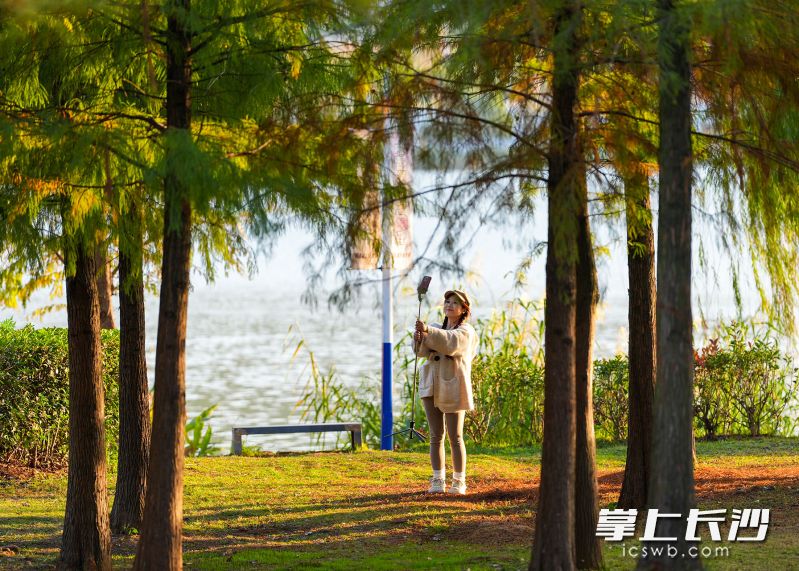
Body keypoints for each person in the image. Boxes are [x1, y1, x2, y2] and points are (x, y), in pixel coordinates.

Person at [413, 289, 478, 495]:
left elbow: (450, 343)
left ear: (463, 309)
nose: (449, 305)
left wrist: (428, 334)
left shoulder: (466, 332)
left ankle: (459, 481)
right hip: (431, 384)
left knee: (455, 436)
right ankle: (437, 478)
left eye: (454, 303)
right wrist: (419, 338)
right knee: (435, 436)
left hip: (453, 386)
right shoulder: (434, 328)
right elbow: (420, 352)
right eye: (447, 301)